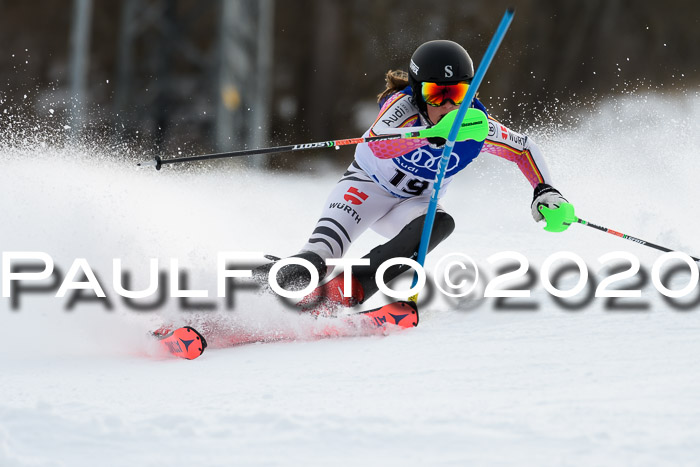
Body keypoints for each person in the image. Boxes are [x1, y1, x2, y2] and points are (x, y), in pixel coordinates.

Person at [259, 39, 570, 311]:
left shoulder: (476, 126)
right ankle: (255, 290)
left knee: (440, 222)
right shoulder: (402, 106)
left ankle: (349, 289)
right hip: (366, 190)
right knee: (316, 260)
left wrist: (545, 191)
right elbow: (380, 142)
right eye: (437, 94)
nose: (449, 105)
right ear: (419, 92)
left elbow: (523, 148)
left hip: (413, 204)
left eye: (458, 93)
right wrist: (429, 134)